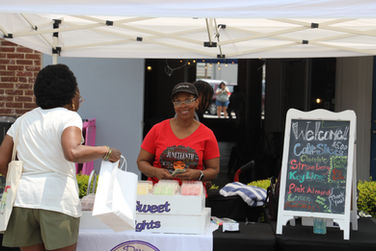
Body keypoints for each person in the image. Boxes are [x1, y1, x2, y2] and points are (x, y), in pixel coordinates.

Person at [0, 64, 121, 251]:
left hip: (23, 201)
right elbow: (72, 152)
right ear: (71, 97)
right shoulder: (69, 117)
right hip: (56, 201)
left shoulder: (23, 120)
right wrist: (105, 150)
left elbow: (1, 161)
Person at [137, 82, 220, 188]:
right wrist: (155, 172)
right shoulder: (157, 129)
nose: (183, 105)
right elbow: (141, 161)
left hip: (191, 194)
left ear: (196, 102)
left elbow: (214, 170)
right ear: (173, 105)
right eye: (178, 101)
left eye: (188, 100)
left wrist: (199, 174)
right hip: (159, 194)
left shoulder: (207, 134)